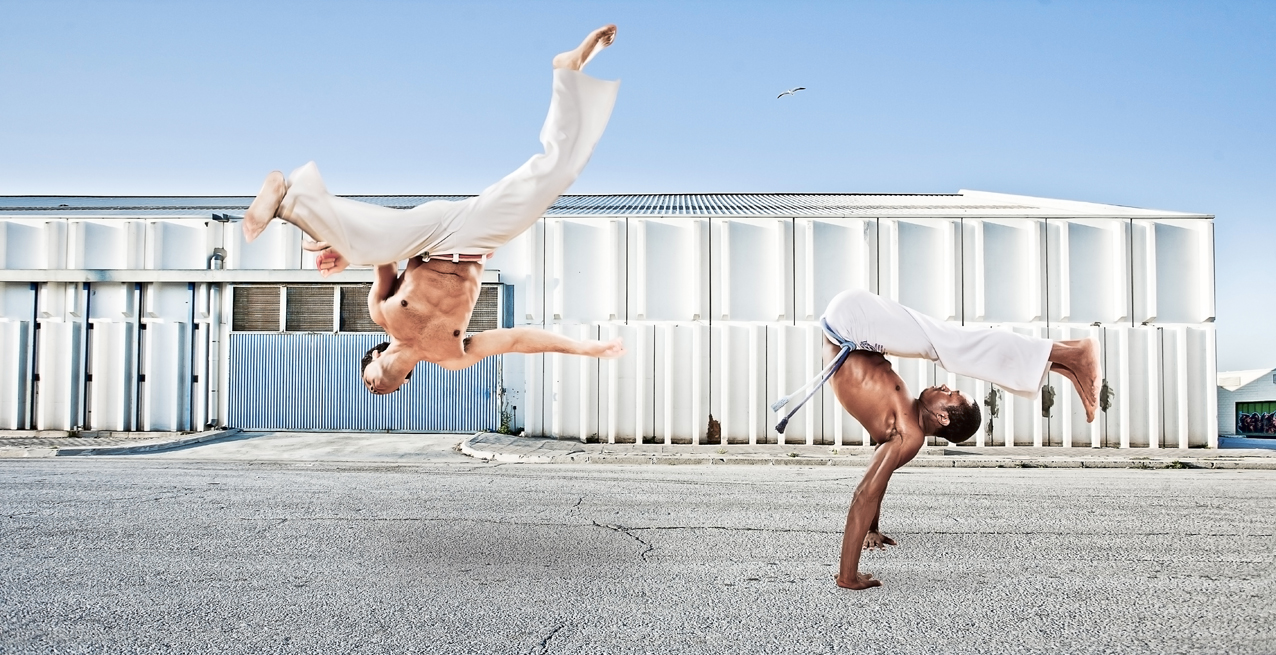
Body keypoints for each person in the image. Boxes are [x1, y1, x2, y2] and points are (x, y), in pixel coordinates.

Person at [239, 25, 625, 394]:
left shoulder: (382, 313)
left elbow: (384, 255)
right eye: (383, 391)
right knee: (558, 173)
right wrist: (583, 348)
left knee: (363, 247)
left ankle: (289, 201)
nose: (374, 387)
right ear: (406, 383)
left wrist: (346, 249)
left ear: (374, 357)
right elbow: (516, 340)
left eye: (367, 380)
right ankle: (566, 72)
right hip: (474, 238)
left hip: (427, 238)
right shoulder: (453, 356)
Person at [771, 288, 1101, 590]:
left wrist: (852, 565)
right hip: (849, 323)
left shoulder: (905, 432)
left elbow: (869, 489)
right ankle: (1068, 358)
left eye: (951, 394)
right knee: (955, 346)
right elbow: (871, 488)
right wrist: (867, 534)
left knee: (957, 344)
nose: (945, 386)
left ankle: (1069, 361)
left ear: (943, 417)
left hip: (849, 322)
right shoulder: (904, 419)